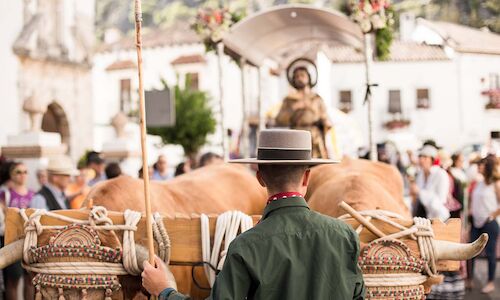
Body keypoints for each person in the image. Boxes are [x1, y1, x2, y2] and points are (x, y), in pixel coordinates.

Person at [142, 129, 365, 299]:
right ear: (306, 178)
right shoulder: (345, 236)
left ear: (259, 178)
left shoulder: (245, 247)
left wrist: (164, 290)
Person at [275, 58, 331, 158]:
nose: (300, 78)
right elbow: (279, 119)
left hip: (315, 138)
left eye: (302, 75)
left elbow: (326, 118)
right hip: (297, 136)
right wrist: (294, 108)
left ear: (308, 78)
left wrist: (324, 122)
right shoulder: (289, 99)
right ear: (293, 80)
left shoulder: (316, 99)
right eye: (297, 76)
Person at [0, 162, 35, 300]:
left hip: (30, 239)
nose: (22, 175)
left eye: (25, 172)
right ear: (11, 175)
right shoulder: (5, 193)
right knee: (13, 279)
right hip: (12, 239)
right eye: (18, 172)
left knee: (30, 279)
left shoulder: (33, 194)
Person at [467, 155, 499, 294]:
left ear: (488, 167)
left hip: (489, 223)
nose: (479, 167)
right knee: (470, 251)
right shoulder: (478, 182)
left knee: (490, 254)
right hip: (475, 223)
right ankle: (469, 279)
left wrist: (492, 215)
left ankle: (490, 282)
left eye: (482, 164)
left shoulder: (496, 183)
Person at [410, 145, 450, 222]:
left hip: (439, 219)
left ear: (432, 159)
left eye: (425, 157)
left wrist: (419, 192)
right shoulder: (420, 174)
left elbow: (440, 201)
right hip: (422, 219)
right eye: (420, 157)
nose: (421, 160)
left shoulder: (441, 174)